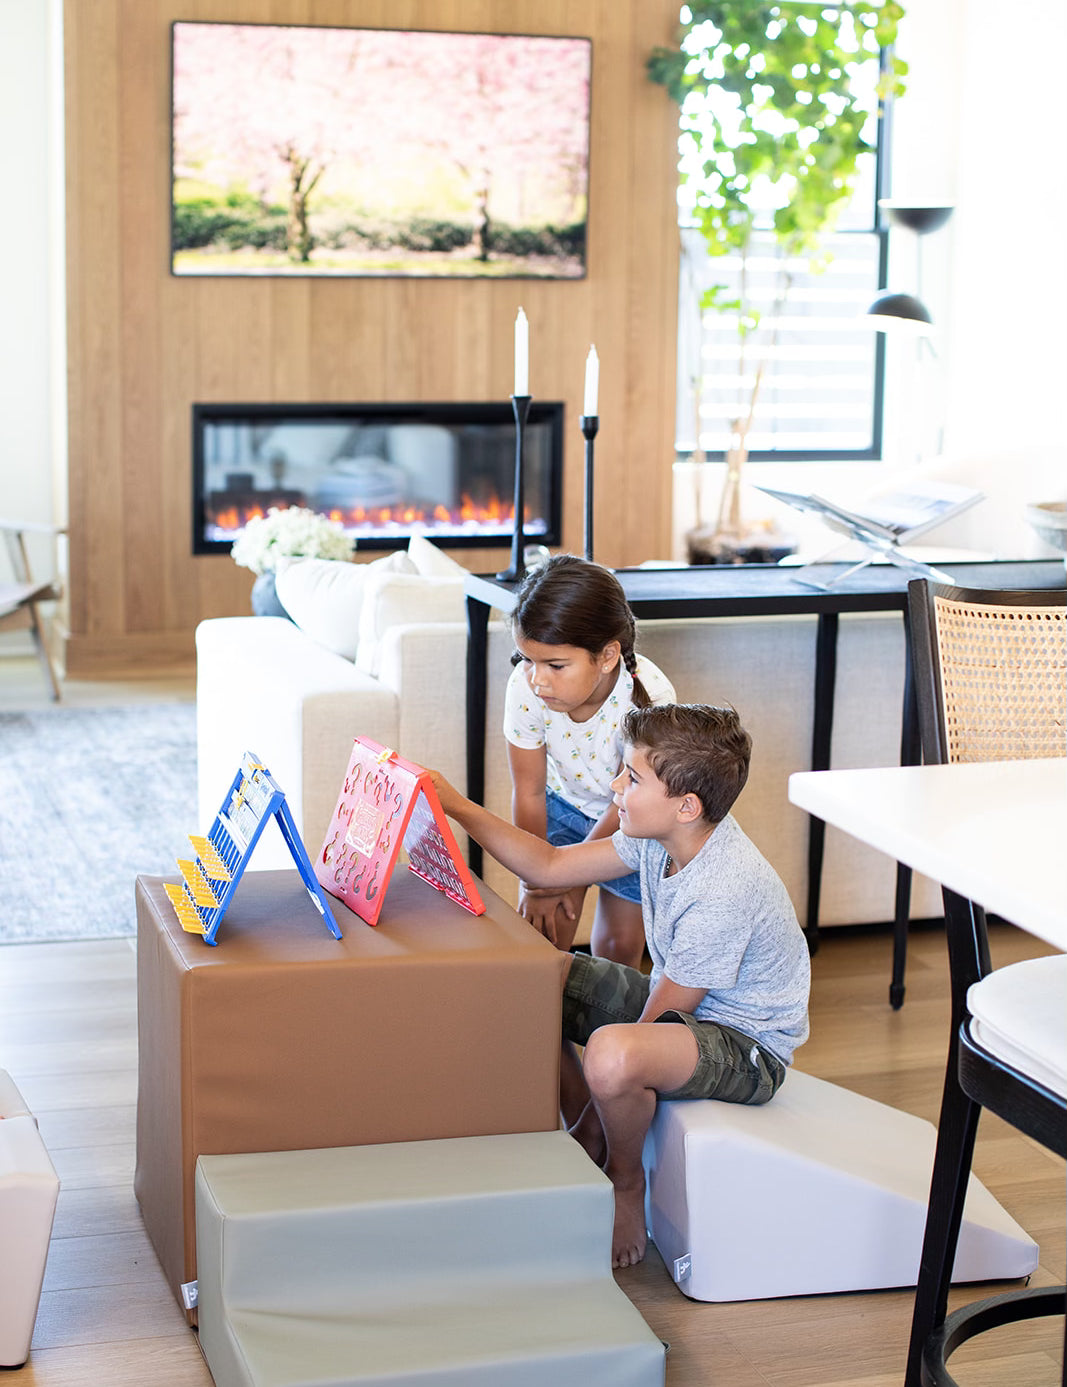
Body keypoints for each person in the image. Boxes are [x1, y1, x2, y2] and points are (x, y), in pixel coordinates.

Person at [430, 703, 810, 1270]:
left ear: (686, 806)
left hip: (746, 1047)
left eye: (631, 778)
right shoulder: (662, 837)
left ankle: (622, 1177)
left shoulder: (724, 889)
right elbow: (550, 866)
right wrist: (453, 805)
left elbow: (661, 1021)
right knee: (536, 975)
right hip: (686, 1013)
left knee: (612, 1056)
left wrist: (591, 1123)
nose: (615, 788)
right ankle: (578, 1133)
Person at [503, 554, 676, 966]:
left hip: (631, 823)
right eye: (527, 660)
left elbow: (627, 801)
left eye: (555, 665)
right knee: (544, 938)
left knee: (618, 949)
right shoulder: (526, 688)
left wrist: (565, 869)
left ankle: (607, 1031)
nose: (537, 678)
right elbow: (527, 791)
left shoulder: (650, 697)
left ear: (607, 656)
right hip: (562, 810)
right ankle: (545, 1031)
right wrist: (538, 878)